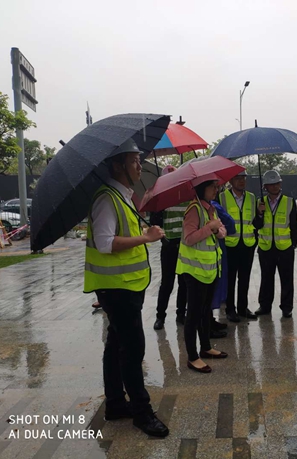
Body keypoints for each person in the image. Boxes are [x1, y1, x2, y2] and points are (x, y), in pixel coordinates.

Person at [83, 138, 169, 437]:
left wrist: (145, 232)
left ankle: (116, 404)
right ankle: (142, 413)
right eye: (133, 161)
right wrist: (147, 239)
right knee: (133, 350)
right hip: (115, 288)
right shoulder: (107, 198)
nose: (139, 166)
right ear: (118, 165)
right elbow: (106, 244)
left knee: (115, 345)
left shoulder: (122, 196)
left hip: (125, 285)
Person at [176, 178, 229, 373]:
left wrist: (216, 229)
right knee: (194, 314)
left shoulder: (210, 209)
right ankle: (192, 356)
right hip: (195, 271)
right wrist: (210, 228)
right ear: (201, 188)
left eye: (217, 186)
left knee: (206, 311)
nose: (216, 189)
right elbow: (189, 238)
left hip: (210, 269)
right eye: (212, 186)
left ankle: (206, 347)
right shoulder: (194, 210)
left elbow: (222, 231)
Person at [254, 170, 297, 318]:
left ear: (280, 184)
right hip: (266, 247)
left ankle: (287, 307)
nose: (274, 187)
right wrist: (259, 213)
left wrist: (293, 245)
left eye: (276, 184)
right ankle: (264, 306)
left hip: (285, 247)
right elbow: (257, 225)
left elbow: (293, 225)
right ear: (265, 186)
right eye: (271, 184)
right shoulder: (260, 203)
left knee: (286, 278)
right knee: (266, 278)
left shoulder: (289, 201)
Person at [151, 165, 188, 331]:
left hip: (185, 245)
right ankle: (160, 316)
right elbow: (155, 224)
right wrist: (161, 236)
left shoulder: (186, 195)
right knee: (167, 283)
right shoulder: (159, 199)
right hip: (169, 245)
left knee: (184, 282)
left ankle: (181, 314)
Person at [218, 171, 259, 323]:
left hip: (247, 244)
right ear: (231, 180)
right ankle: (230, 309)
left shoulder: (252, 198)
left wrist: (260, 214)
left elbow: (255, 221)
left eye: (243, 178)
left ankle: (243, 308)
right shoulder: (222, 197)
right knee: (230, 279)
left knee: (245, 278)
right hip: (230, 244)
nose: (241, 181)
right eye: (237, 178)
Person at [210, 197, 236, 335]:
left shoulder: (193, 208)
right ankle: (207, 327)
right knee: (211, 288)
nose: (215, 190)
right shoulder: (213, 207)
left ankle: (209, 322)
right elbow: (230, 225)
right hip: (209, 254)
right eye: (213, 187)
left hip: (208, 254)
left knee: (208, 290)